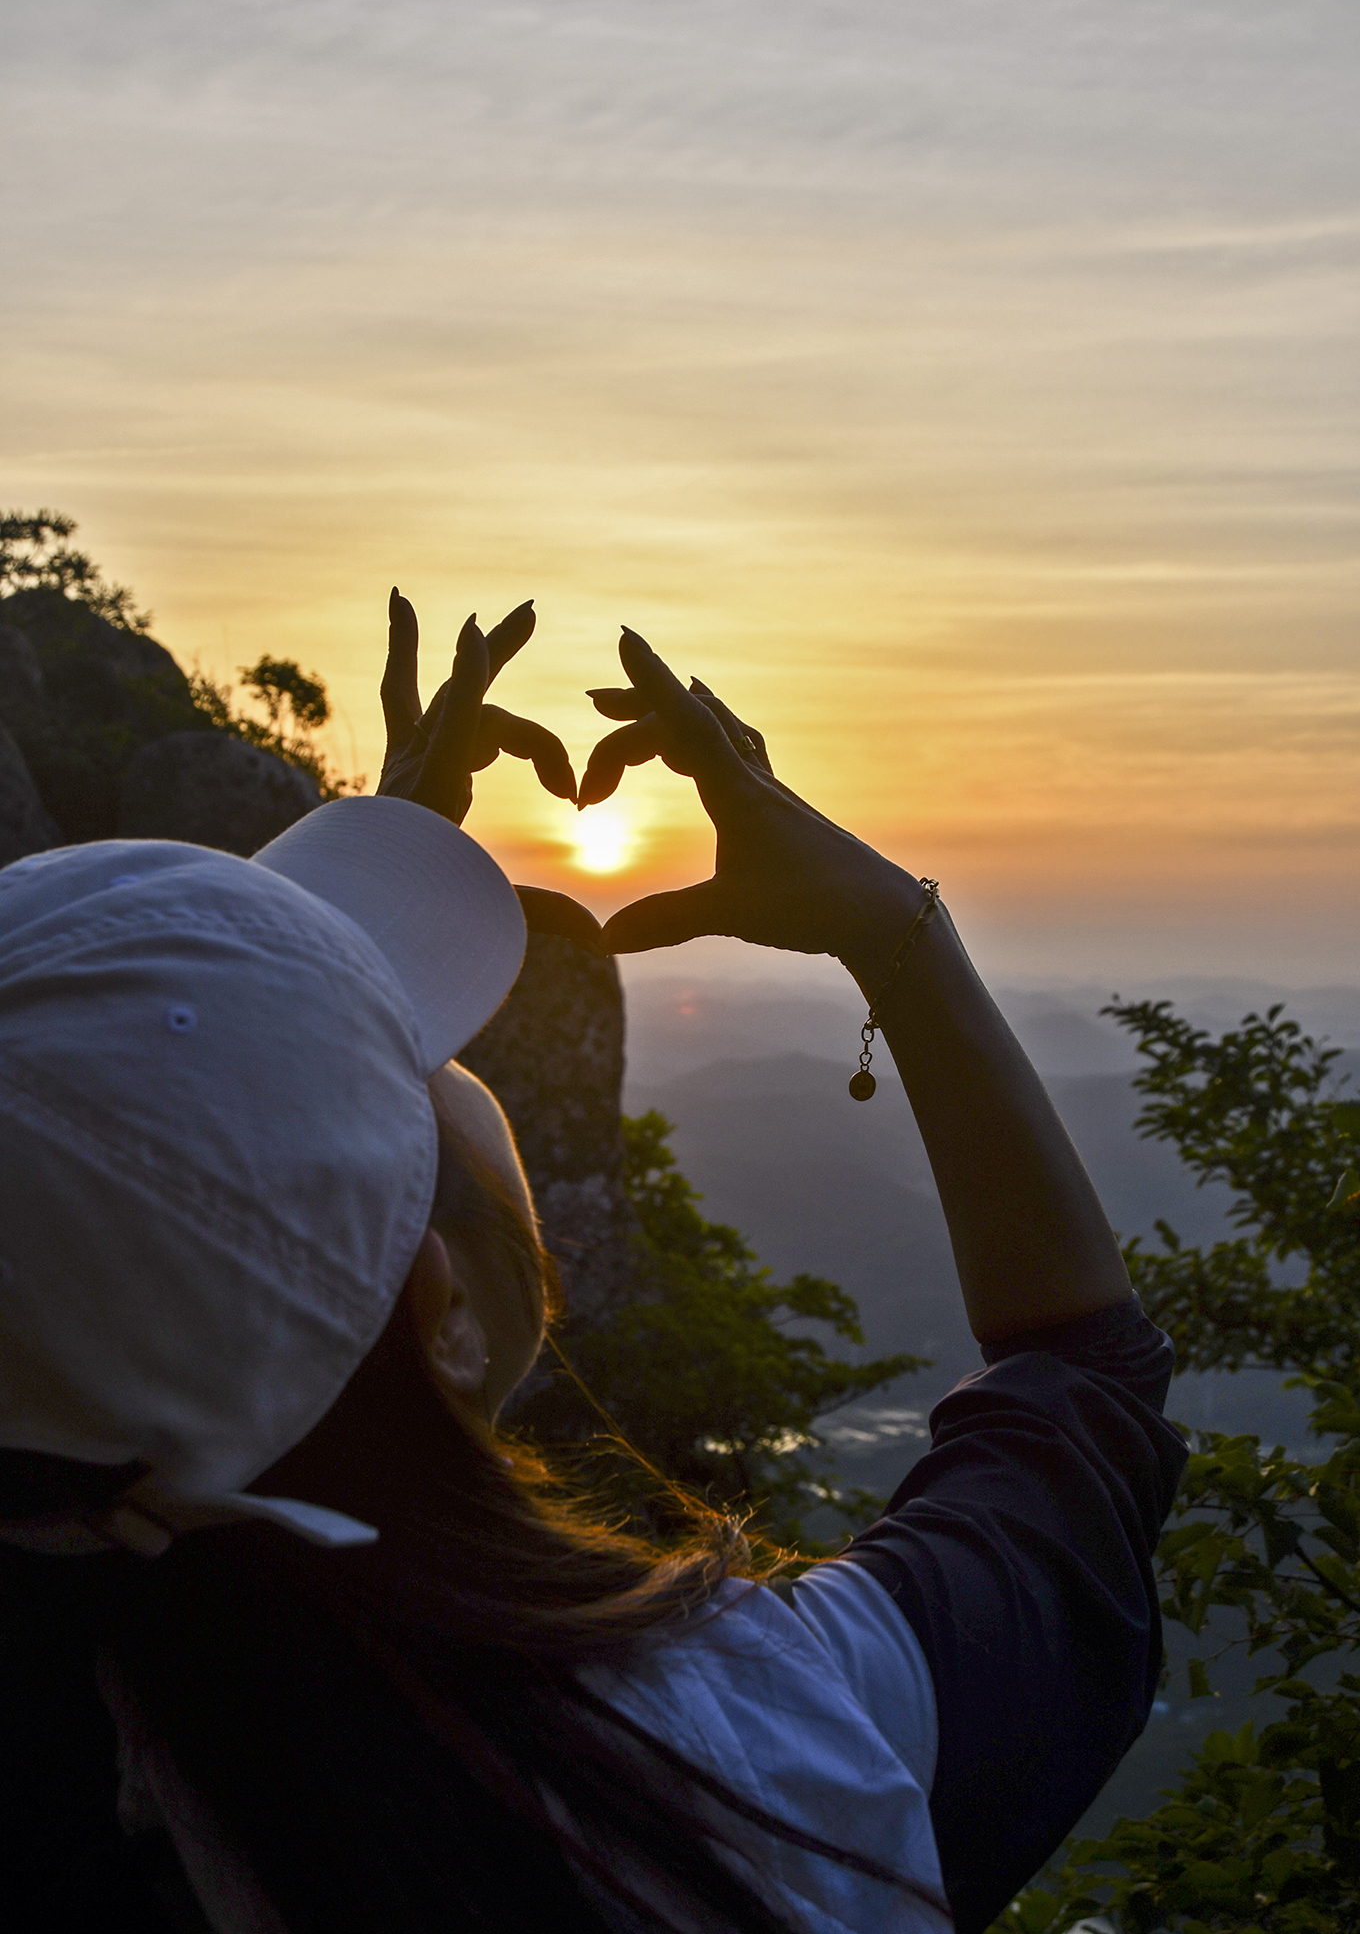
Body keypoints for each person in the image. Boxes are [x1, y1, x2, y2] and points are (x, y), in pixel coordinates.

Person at [0, 594, 1187, 1934]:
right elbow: (1085, 1381)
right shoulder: (748, 1751)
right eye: (417, 1070)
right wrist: (886, 924)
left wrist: (351, 901)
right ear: (442, 1305)